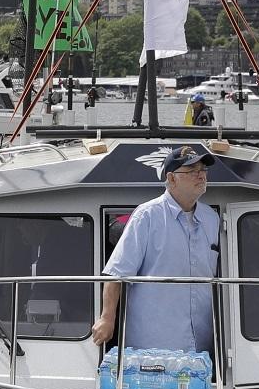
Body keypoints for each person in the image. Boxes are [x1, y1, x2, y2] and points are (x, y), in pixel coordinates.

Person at [92, 145, 220, 354]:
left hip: (203, 347)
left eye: (203, 170)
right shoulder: (147, 216)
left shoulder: (212, 218)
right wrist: (107, 318)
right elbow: (116, 273)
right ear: (171, 179)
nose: (201, 175)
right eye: (192, 171)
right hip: (152, 347)